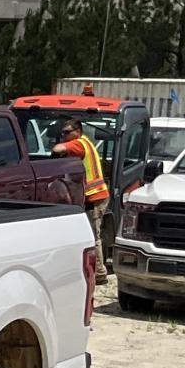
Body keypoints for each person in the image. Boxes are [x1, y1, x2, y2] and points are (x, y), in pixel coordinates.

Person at [55, 119, 110, 278]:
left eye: (67, 132)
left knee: (93, 236)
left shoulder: (79, 144)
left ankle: (99, 272)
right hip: (96, 195)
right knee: (92, 234)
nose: (64, 136)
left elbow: (58, 148)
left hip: (95, 196)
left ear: (77, 131)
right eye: (62, 133)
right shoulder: (86, 142)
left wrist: (55, 152)